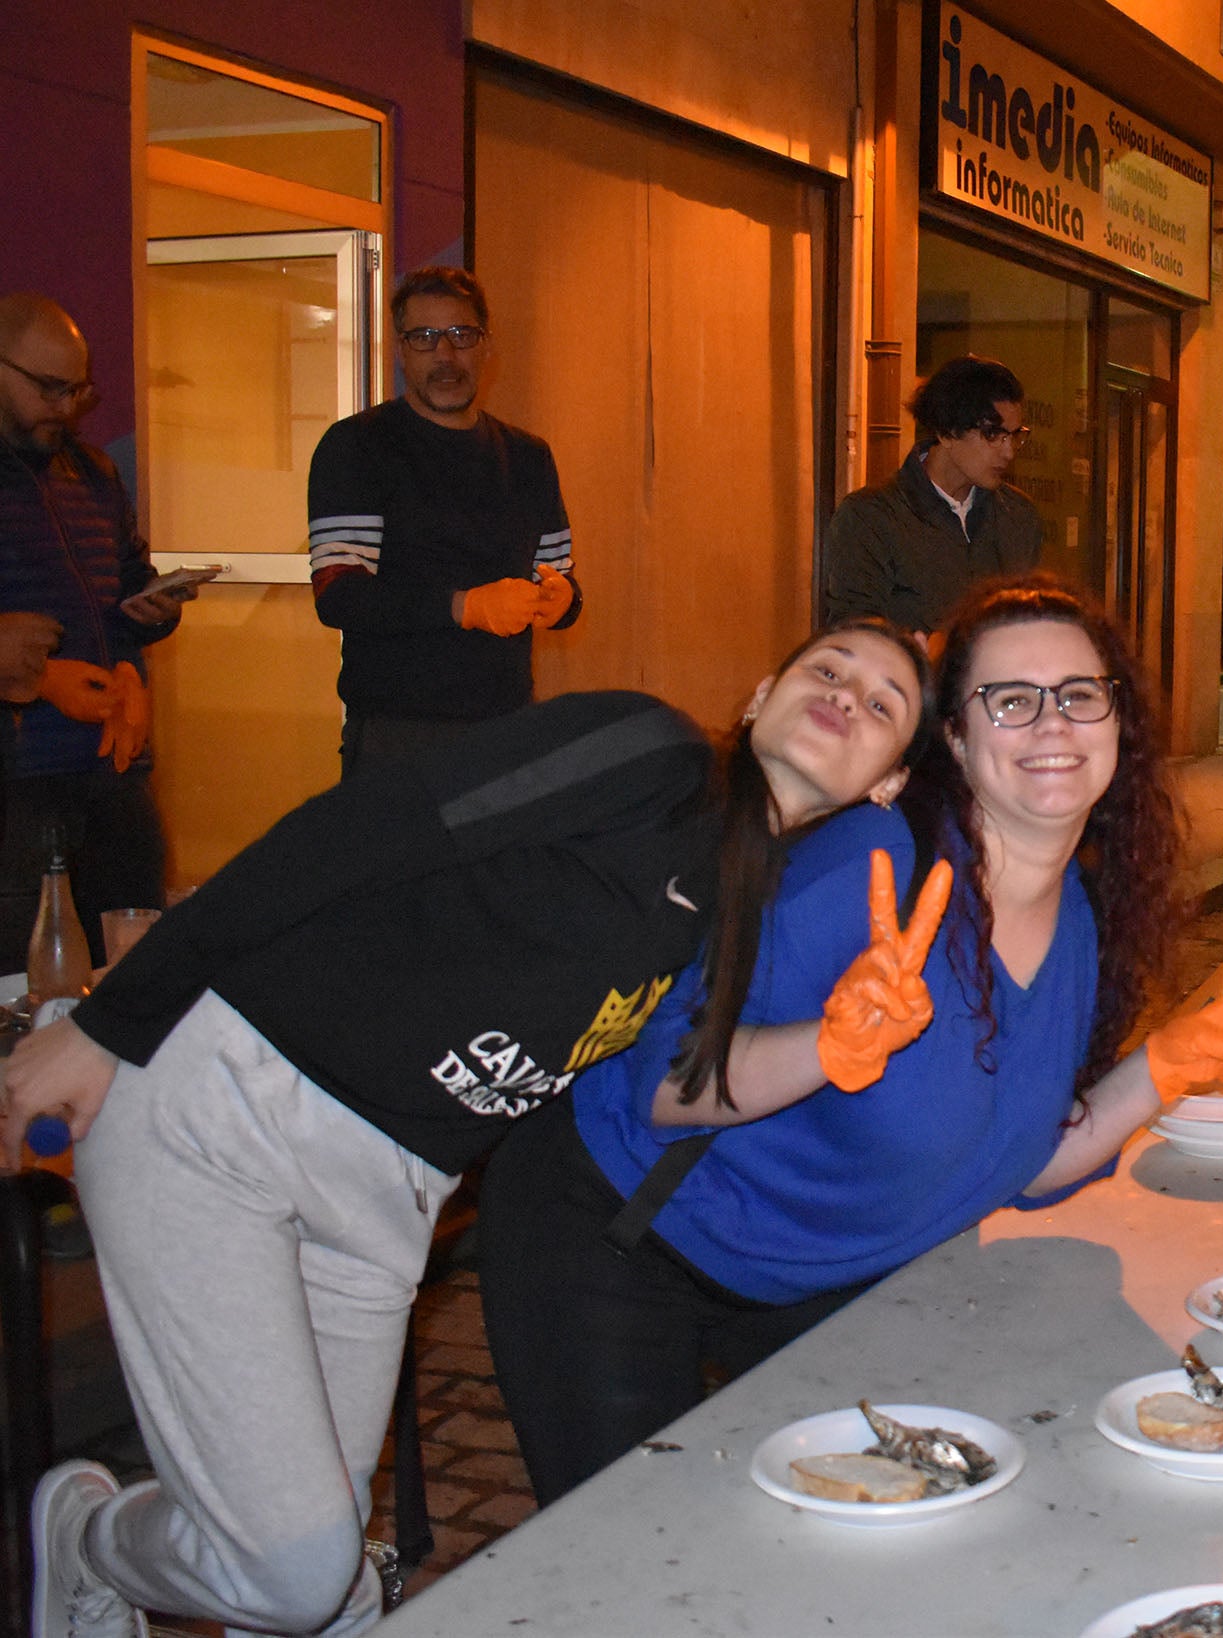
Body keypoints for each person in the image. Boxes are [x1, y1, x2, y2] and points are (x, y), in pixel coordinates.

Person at [3, 621, 933, 1638]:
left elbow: (673, 1082)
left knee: (309, 1568)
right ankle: (88, 1536)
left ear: (886, 782)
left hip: (385, 1195)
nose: (848, 694)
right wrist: (110, 1020)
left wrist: (839, 1043)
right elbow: (357, 829)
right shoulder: (650, 754)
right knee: (301, 1573)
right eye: (828, 669)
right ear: (761, 694)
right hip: (234, 1108)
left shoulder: (737, 901)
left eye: (884, 703)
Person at [481, 577, 1223, 1505]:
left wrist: (1164, 1067)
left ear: (1117, 726)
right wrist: (827, 1045)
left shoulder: (1080, 923)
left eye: (1080, 695)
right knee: (630, 1543)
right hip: (623, 1235)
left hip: (815, 1276)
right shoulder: (873, 871)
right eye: (1010, 700)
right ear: (957, 742)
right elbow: (659, 1083)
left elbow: (1022, 1164)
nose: (1052, 724)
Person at [309, 266, 580, 774]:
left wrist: (562, 599)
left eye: (460, 335)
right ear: (400, 350)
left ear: (486, 346)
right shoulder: (356, 448)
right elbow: (338, 593)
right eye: (424, 337)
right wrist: (465, 606)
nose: (445, 356)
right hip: (399, 735)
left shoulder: (528, 457)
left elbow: (559, 580)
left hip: (507, 727)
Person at [0, 293, 196, 964]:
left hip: (114, 770)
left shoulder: (91, 470)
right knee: (24, 985)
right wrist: (36, 677)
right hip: (20, 779)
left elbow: (122, 585)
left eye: (77, 391)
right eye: (49, 388)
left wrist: (151, 613)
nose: (65, 407)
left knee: (132, 969)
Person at [822, 355, 1042, 641]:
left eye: (1014, 436)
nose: (1008, 452)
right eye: (993, 435)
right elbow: (855, 637)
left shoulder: (1019, 517)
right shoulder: (871, 518)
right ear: (947, 432)